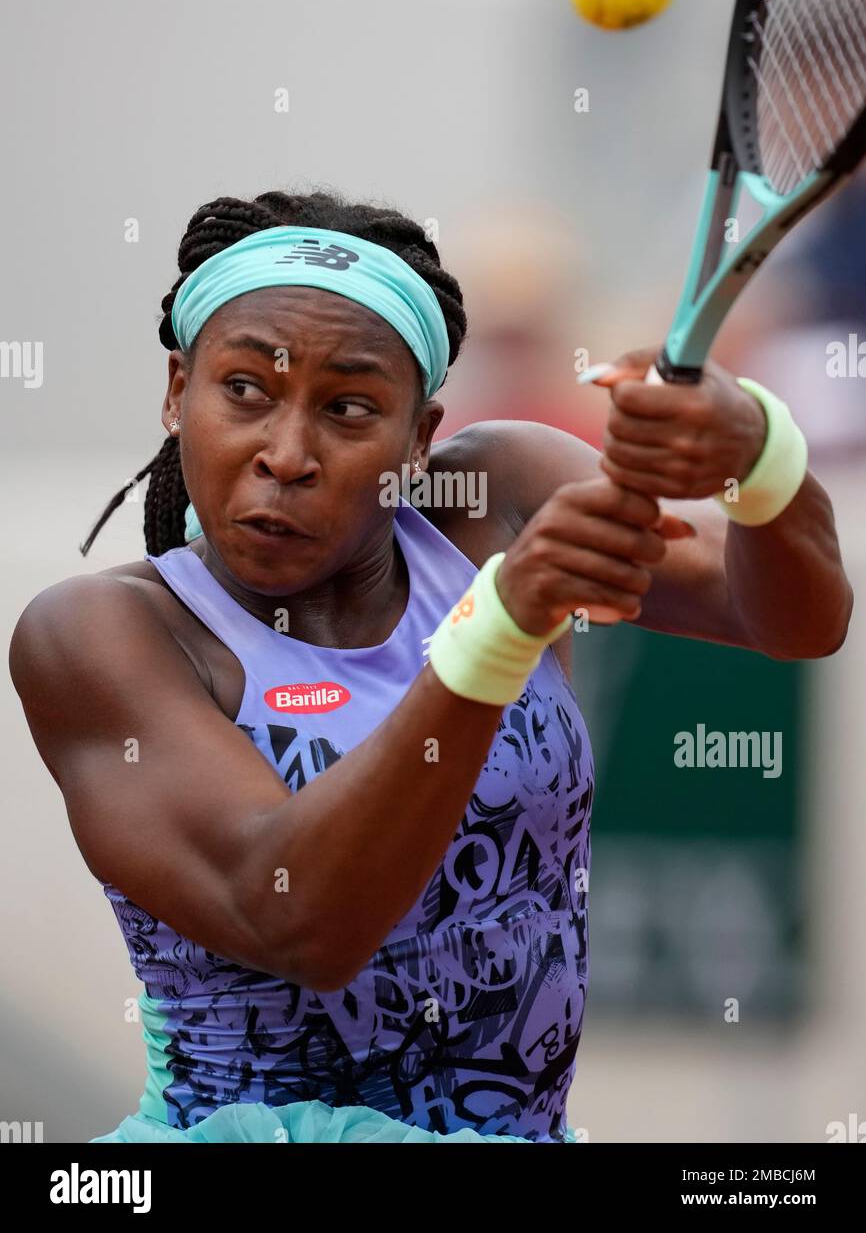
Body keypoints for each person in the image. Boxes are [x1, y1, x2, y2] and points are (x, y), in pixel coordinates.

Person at [8, 190, 852, 1144]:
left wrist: (763, 457)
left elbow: (790, 617)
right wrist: (497, 625)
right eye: (244, 389)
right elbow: (300, 920)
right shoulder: (100, 633)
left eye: (350, 409)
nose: (286, 454)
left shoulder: (498, 496)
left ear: (420, 439)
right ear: (176, 390)